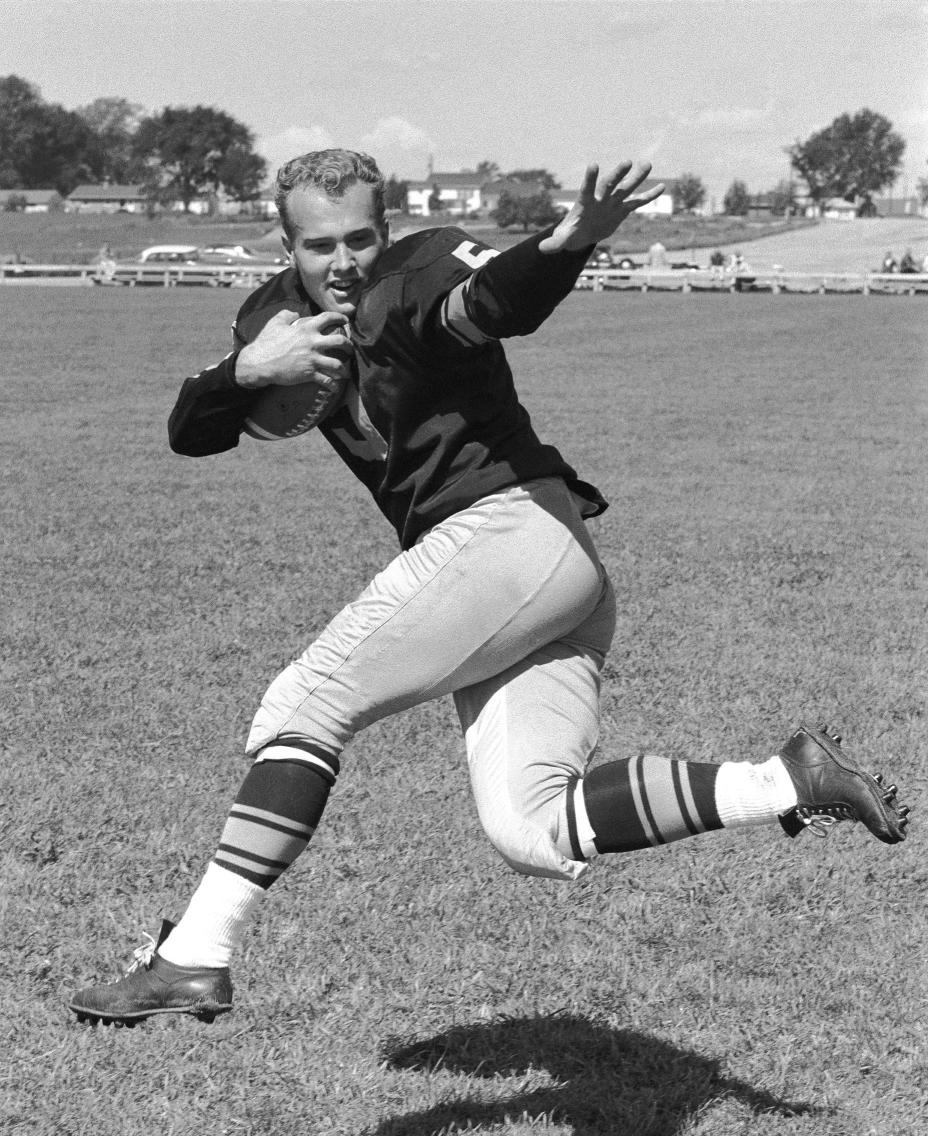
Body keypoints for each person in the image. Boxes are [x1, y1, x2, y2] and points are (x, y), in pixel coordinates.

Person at [69, 149, 909, 1026]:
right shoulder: (272, 318)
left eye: (361, 237)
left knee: (300, 707)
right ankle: (789, 780)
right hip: (525, 579)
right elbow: (190, 433)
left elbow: (490, 300)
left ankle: (195, 953)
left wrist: (567, 242)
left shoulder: (417, 272)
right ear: (286, 244)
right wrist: (245, 373)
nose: (344, 262)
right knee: (532, 830)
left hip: (512, 532)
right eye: (320, 246)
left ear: (386, 230)